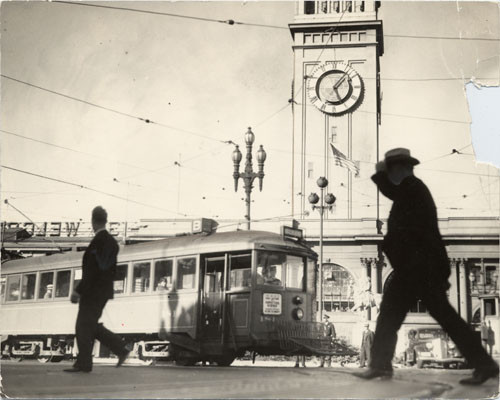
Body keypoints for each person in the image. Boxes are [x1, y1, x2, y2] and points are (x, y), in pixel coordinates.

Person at [353, 148, 499, 385]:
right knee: (430, 316)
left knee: (394, 315)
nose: (389, 176)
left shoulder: (412, 189)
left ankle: (380, 366)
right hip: (418, 266)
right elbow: (392, 191)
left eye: (390, 171)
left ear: (398, 168)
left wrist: (401, 254)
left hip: (417, 267)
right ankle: (484, 364)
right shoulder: (411, 188)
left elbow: (406, 221)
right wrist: (380, 175)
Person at [64, 206, 129, 373]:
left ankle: (84, 364)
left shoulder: (99, 242)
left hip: (93, 291)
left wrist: (79, 290)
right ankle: (120, 348)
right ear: (105, 221)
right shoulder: (111, 242)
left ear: (93, 221)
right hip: (102, 291)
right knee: (89, 325)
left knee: (82, 326)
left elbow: (93, 270)